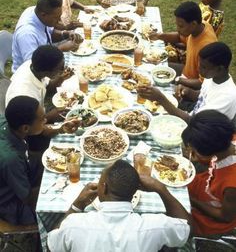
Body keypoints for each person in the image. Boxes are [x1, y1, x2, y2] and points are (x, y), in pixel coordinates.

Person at [47, 159, 191, 252]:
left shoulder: (74, 224)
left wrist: (76, 205)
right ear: (135, 190)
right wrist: (161, 188)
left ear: (102, 188)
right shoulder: (157, 225)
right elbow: (188, 230)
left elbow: (51, 246)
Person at [0, 96, 79, 225]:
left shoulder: (9, 122)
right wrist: (60, 184)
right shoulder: (10, 159)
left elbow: (40, 129)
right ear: (25, 128)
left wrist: (61, 128)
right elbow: (28, 198)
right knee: (66, 205)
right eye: (42, 119)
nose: (46, 120)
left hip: (23, 170)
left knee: (54, 160)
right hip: (11, 204)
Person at [137, 42, 236, 125]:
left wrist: (160, 98)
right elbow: (203, 97)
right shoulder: (213, 77)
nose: (199, 69)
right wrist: (188, 92)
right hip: (193, 116)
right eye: (199, 64)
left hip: (203, 136)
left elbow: (193, 122)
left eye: (204, 67)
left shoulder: (226, 97)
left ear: (220, 68)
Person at [182, 110, 236, 236]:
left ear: (208, 152)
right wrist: (201, 157)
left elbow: (225, 216)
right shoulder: (227, 138)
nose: (191, 151)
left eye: (194, 149)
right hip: (207, 186)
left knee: (172, 214)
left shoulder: (232, 185)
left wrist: (192, 201)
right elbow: (217, 162)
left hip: (212, 215)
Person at [149, 1, 217, 85]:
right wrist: (160, 36)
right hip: (185, 70)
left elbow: (203, 83)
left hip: (190, 84)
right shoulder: (200, 26)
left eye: (181, 26)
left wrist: (178, 80)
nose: (177, 29)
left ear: (193, 24)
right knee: (151, 68)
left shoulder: (206, 47)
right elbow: (179, 37)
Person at [12, 0, 83, 72]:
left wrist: (65, 34)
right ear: (43, 15)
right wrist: (60, 48)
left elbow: (49, 33)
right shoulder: (26, 34)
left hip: (45, 64)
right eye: (56, 17)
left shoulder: (36, 12)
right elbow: (34, 66)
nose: (59, 20)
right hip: (29, 76)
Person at [6, 45, 73, 124]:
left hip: (37, 114)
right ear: (47, 72)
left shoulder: (35, 66)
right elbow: (28, 128)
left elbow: (47, 86)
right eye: (61, 68)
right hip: (26, 126)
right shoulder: (25, 93)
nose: (63, 70)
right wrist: (49, 117)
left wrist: (61, 78)